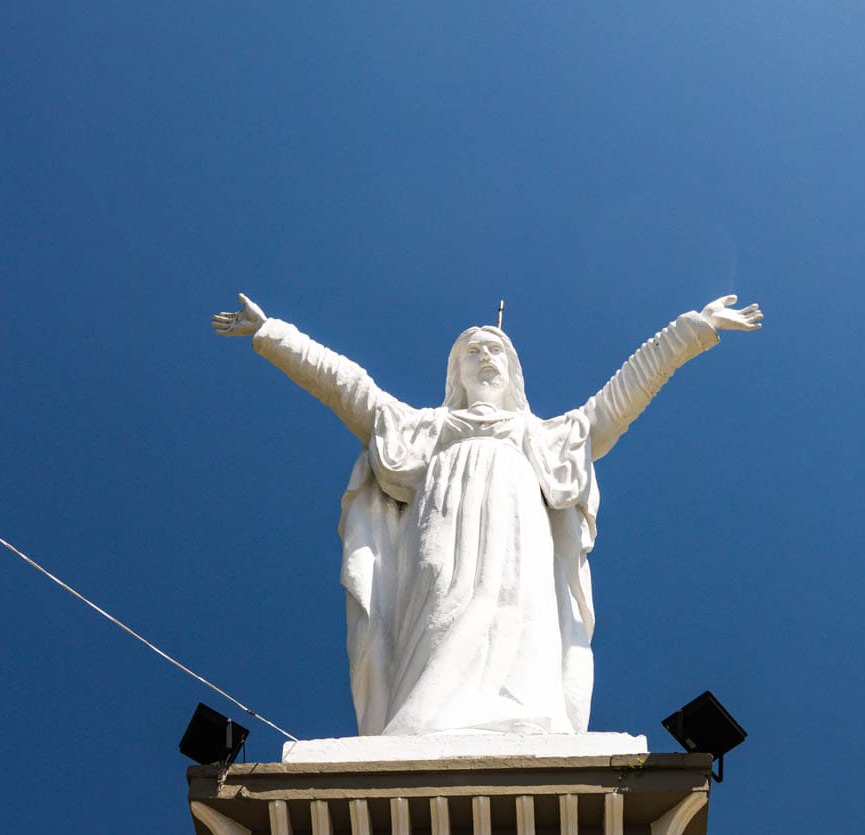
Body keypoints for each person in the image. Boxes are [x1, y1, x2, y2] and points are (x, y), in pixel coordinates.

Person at [212, 293, 762, 736]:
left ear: (513, 370)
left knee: (516, 608)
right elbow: (345, 385)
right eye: (472, 350)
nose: (485, 356)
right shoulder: (421, 428)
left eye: (495, 350)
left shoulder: (544, 435)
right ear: (456, 371)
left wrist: (693, 329)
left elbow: (620, 397)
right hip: (441, 525)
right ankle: (423, 721)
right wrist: (273, 334)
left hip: (519, 525)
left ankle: (525, 715)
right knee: (439, 607)